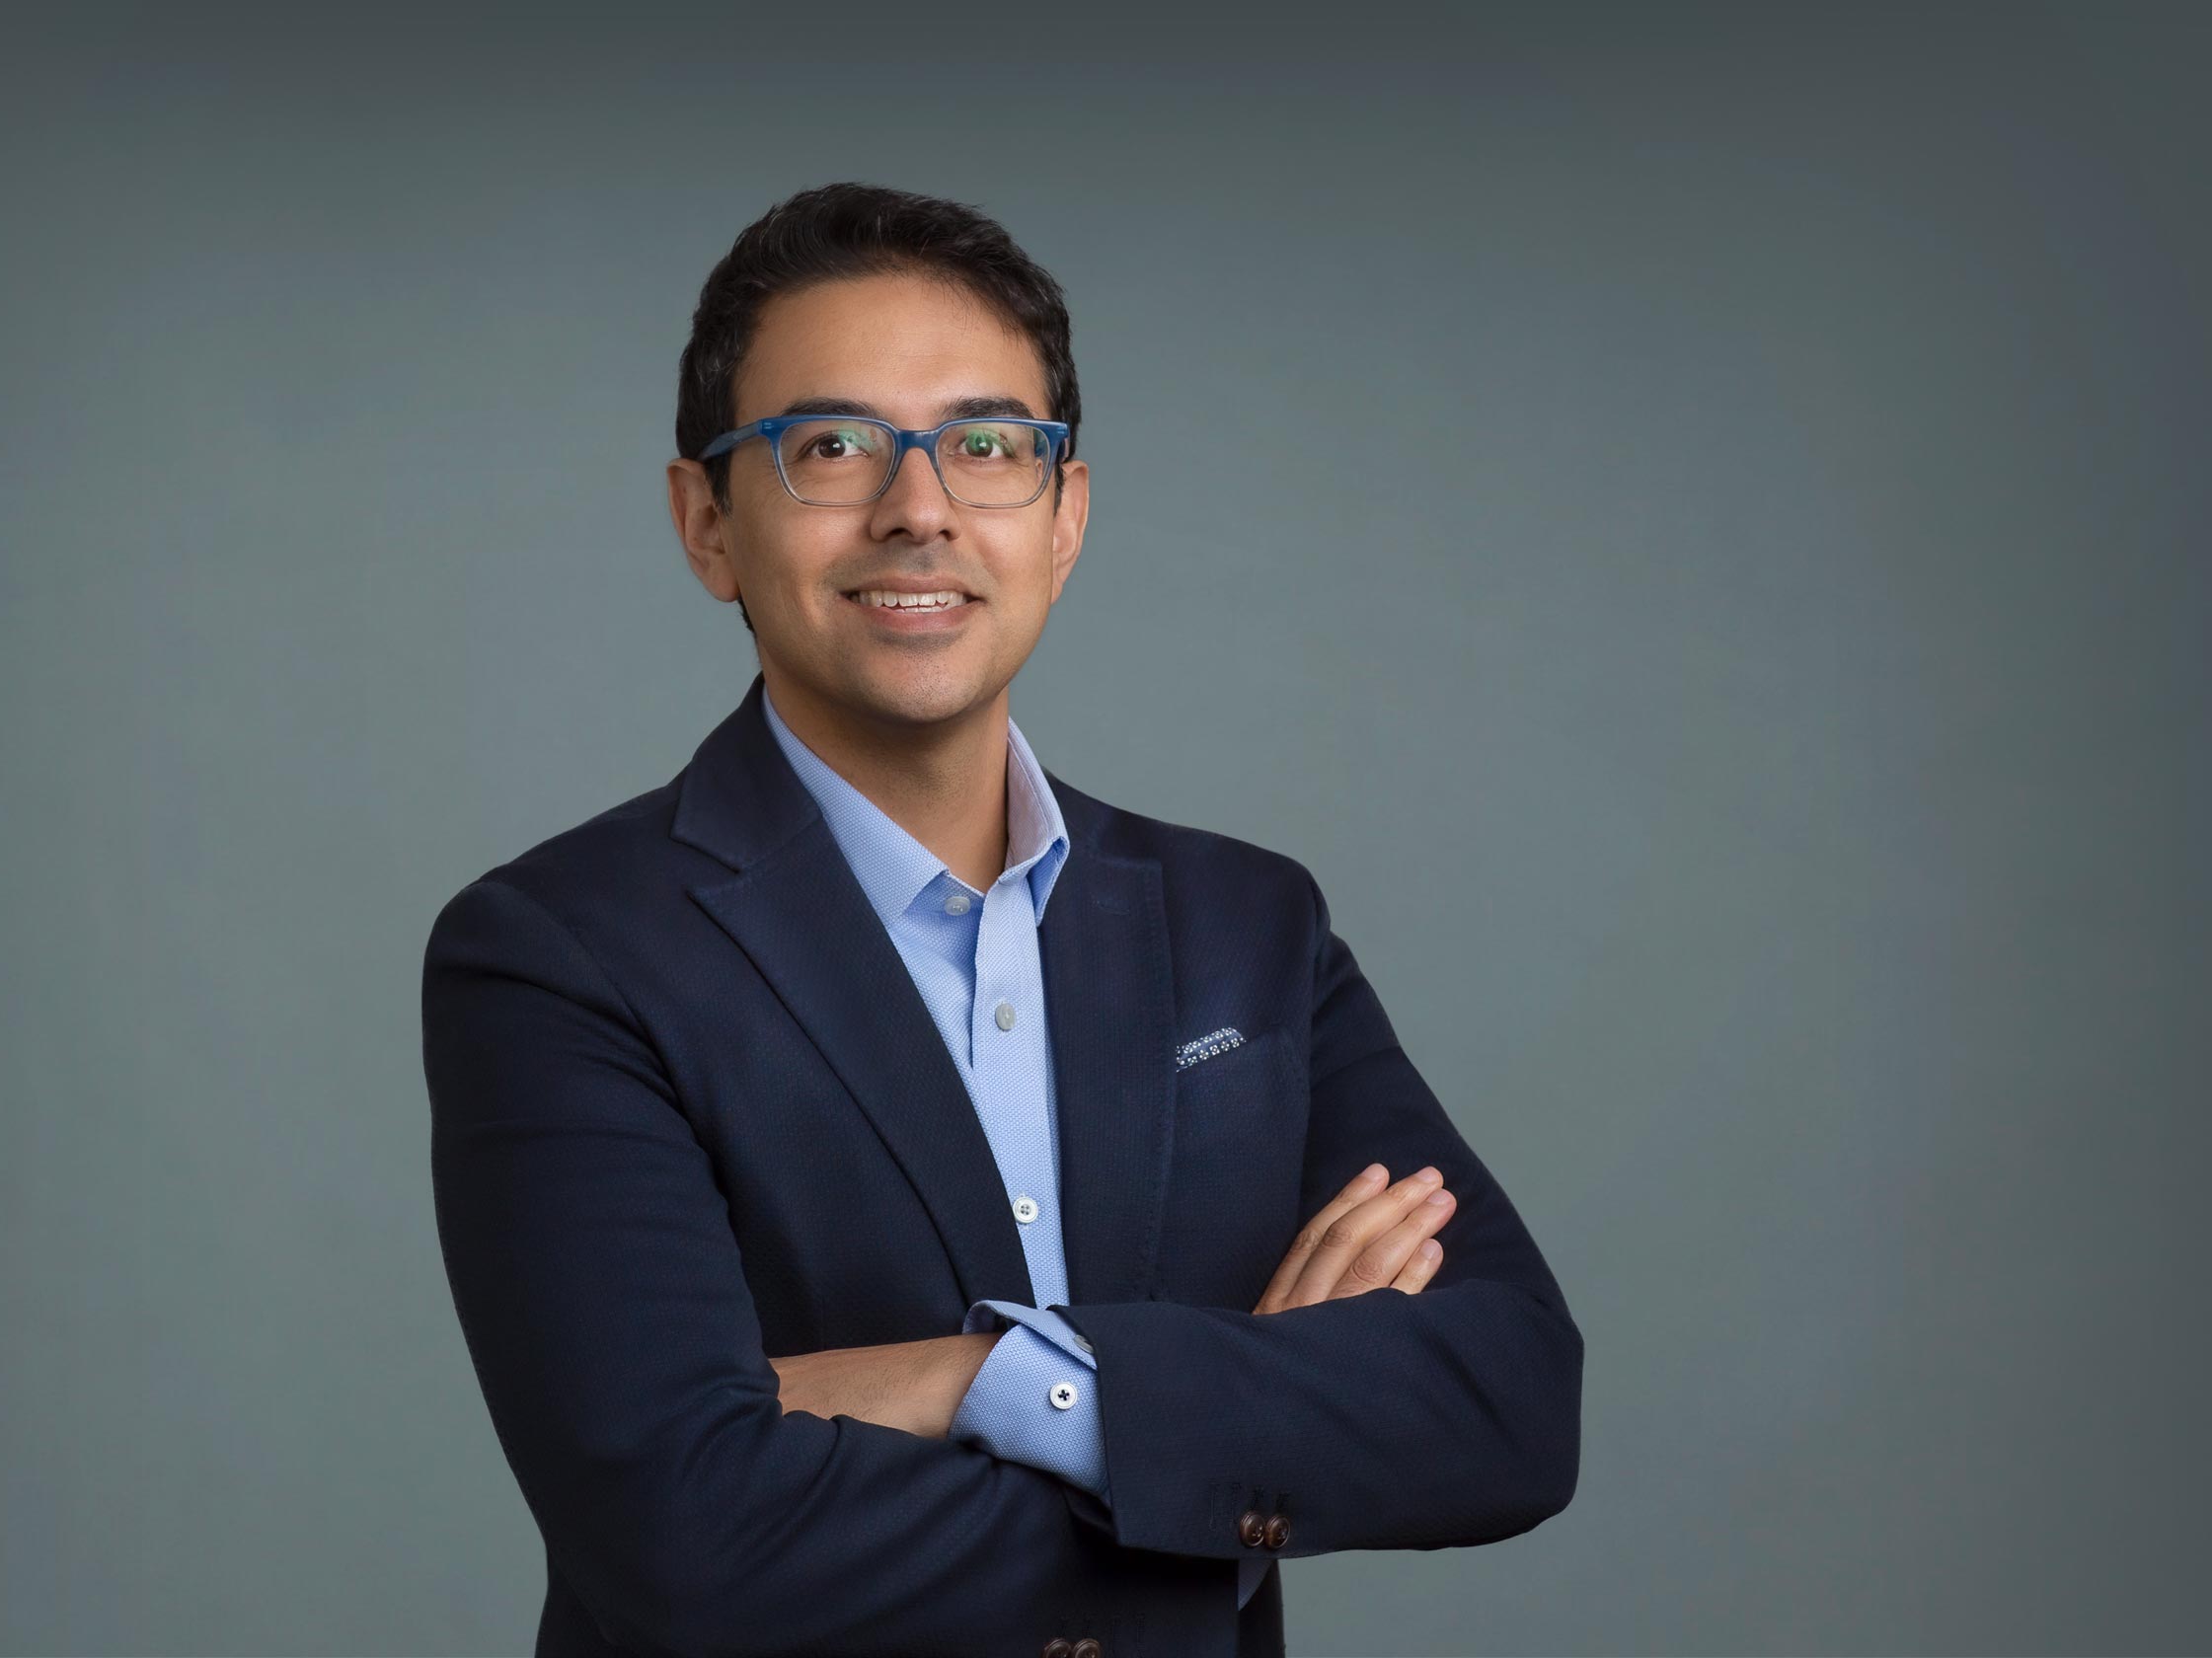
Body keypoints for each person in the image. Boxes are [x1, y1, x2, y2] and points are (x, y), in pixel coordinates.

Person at [421, 182, 1581, 1658]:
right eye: (831, 446)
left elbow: (1511, 1403)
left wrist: (976, 1382)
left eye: (986, 445)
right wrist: (1223, 1445)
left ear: (1064, 516)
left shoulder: (1247, 927)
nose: (921, 509)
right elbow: (686, 1539)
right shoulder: (557, 953)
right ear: (708, 524)